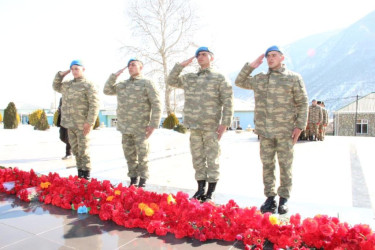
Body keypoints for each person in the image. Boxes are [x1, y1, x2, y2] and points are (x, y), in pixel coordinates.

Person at [235, 45, 308, 214]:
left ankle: (284, 199)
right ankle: (270, 198)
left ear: (282, 58)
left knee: (285, 166)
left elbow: (303, 103)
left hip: (285, 131)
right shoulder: (260, 79)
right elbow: (239, 81)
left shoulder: (293, 78)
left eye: (274, 55)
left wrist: (300, 126)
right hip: (265, 132)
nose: (270, 58)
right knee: (267, 165)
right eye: (268, 56)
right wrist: (251, 66)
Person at [167, 47, 234, 202]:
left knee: (212, 159)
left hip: (211, 126)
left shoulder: (219, 77)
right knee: (197, 158)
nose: (200, 57)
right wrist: (181, 65)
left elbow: (228, 101)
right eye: (198, 55)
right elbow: (171, 80)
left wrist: (225, 123)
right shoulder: (190, 77)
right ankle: (200, 189)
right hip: (195, 126)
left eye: (204, 54)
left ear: (212, 57)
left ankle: (210, 192)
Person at [103, 58, 161, 188]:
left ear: (141, 67)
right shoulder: (123, 84)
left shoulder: (147, 83)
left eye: (133, 65)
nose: (130, 67)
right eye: (129, 65)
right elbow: (107, 90)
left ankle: (143, 180)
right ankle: (133, 179)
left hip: (141, 127)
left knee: (142, 154)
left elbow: (157, 104)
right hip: (125, 127)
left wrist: (153, 124)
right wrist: (114, 76)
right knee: (129, 155)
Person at [53, 60, 100, 180]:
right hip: (70, 124)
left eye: (76, 69)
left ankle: (87, 175)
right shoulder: (67, 84)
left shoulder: (88, 85)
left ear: (83, 69)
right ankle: (80, 174)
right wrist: (63, 73)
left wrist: (89, 122)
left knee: (83, 150)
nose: (74, 71)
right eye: (72, 69)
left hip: (82, 124)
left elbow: (94, 105)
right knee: (75, 150)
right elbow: (55, 85)